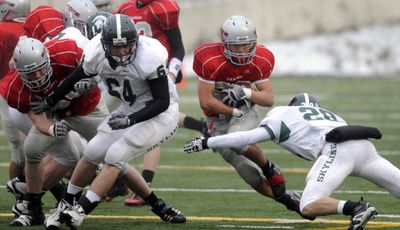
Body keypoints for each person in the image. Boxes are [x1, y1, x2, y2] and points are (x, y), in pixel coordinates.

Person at [32, 14, 186, 229]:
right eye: (116, 47)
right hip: (129, 108)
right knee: (93, 151)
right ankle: (67, 204)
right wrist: (50, 101)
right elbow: (76, 76)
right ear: (105, 44)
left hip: (161, 114)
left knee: (115, 156)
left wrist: (130, 120)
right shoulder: (96, 52)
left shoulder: (149, 55)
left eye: (126, 46)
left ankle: (81, 210)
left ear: (136, 42)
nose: (122, 51)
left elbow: (162, 101)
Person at [184, 92, 400, 230]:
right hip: (364, 147)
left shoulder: (283, 113)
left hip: (338, 150)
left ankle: (356, 208)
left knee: (308, 205)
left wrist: (207, 142)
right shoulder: (327, 114)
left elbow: (246, 138)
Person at [191, 14, 308, 217]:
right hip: (217, 117)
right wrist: (231, 110)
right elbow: (206, 101)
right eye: (236, 46)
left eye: (246, 45)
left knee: (236, 139)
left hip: (245, 109)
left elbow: (268, 98)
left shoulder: (261, 58)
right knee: (246, 171)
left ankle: (269, 168)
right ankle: (288, 201)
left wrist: (245, 93)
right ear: (224, 43)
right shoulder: (209, 58)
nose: (242, 51)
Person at [0, 37, 106, 226]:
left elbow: (96, 67)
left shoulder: (66, 52)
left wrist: (90, 82)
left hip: (85, 109)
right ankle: (33, 207)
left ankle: (153, 200)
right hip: (53, 115)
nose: (38, 76)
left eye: (41, 69)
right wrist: (50, 129)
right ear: (19, 72)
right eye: (30, 74)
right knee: (31, 149)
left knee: (115, 152)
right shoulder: (14, 86)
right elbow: (35, 114)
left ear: (48, 58)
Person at [114, 0, 208, 206]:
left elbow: (178, 48)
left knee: (151, 119)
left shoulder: (163, 8)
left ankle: (143, 184)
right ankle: (201, 126)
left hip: (157, 70)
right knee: (159, 115)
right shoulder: (124, 9)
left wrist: (172, 72)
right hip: (133, 72)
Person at [0, 0, 30, 181]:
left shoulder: (3, 30)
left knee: (19, 153)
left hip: (8, 92)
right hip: (36, 90)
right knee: (45, 146)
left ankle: (24, 196)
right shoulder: (33, 25)